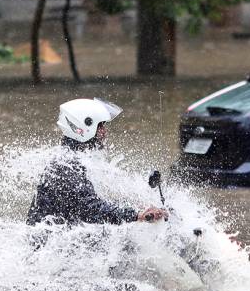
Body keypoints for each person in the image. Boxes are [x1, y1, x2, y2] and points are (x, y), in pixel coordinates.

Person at [27, 97, 167, 226]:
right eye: (100, 127)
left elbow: (94, 202)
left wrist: (139, 206)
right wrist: (136, 215)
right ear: (83, 128)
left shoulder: (73, 160)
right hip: (52, 247)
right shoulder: (66, 168)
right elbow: (92, 209)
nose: (104, 132)